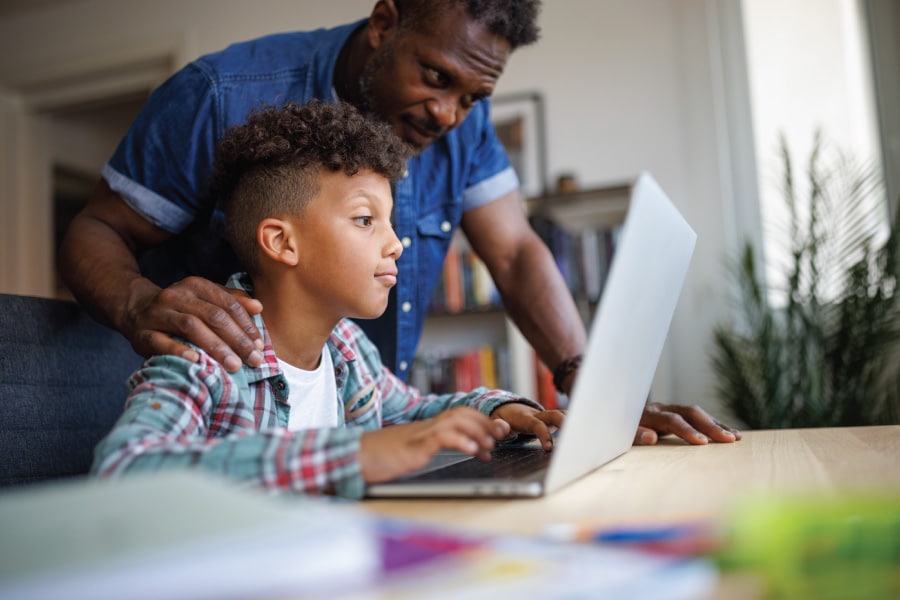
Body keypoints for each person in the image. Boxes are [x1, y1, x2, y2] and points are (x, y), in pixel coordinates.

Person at [62, 0, 740, 446]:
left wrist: (587, 389)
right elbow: (97, 228)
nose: (448, 115)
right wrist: (138, 301)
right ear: (384, 24)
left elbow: (513, 254)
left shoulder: (350, 361)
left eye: (474, 97)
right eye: (435, 77)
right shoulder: (219, 95)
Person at [91, 100, 565, 497]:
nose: (396, 243)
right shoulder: (206, 354)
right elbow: (125, 470)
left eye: (390, 221)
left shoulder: (346, 348)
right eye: (365, 220)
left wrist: (500, 411)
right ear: (282, 243)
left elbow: (412, 413)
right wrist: (355, 454)